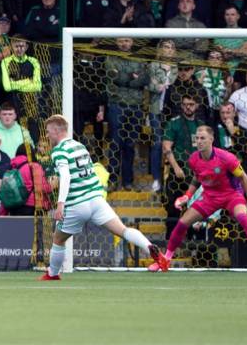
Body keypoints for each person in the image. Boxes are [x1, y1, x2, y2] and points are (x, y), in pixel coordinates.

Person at [40, 115, 166, 280]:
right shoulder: (79, 146)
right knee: (123, 230)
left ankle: (53, 274)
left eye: (48, 132)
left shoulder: (59, 151)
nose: (47, 136)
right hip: (97, 199)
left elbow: (66, 176)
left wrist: (60, 204)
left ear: (56, 131)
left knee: (58, 239)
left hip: (77, 203)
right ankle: (152, 250)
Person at [148, 125, 247, 274]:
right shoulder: (193, 159)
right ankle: (165, 260)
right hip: (209, 197)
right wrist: (187, 196)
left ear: (211, 139)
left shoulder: (226, 158)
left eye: (203, 138)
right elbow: (197, 177)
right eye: (197, 138)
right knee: (182, 223)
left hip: (231, 195)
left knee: (243, 218)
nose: (199, 141)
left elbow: (243, 177)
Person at [104, 37, 148, 190]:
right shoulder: (110, 58)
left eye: (127, 40)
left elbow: (143, 80)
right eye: (121, 40)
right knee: (116, 143)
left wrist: (126, 78)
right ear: (116, 42)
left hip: (135, 106)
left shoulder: (140, 59)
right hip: (117, 104)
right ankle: (113, 180)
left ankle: (128, 181)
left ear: (132, 42)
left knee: (130, 145)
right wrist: (131, 76)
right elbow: (114, 77)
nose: (124, 43)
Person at [162, 94, 204, 218]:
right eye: (185, 105)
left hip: (196, 171)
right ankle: (171, 236)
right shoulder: (174, 123)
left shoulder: (200, 125)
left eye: (191, 105)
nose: (188, 108)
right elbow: (166, 147)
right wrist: (175, 167)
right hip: (179, 169)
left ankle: (194, 236)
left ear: (196, 106)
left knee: (195, 206)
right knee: (173, 206)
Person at [146, 39, 178, 192]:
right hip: (155, 110)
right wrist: (158, 86)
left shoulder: (177, 69)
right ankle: (156, 179)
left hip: (172, 112)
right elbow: (150, 85)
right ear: (160, 49)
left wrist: (160, 85)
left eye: (171, 47)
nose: (169, 50)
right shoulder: (152, 66)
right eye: (166, 46)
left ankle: (171, 179)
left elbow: (176, 87)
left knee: (171, 145)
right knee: (157, 143)